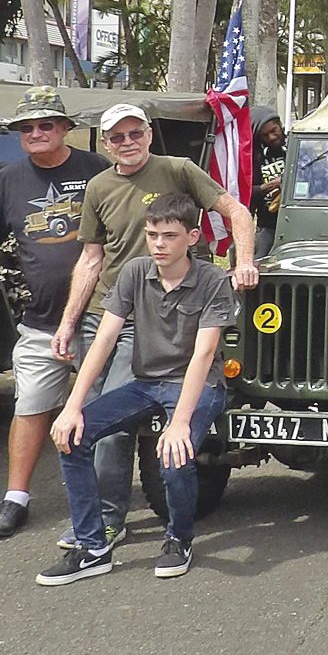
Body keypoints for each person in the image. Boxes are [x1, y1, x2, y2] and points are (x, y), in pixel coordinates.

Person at [51, 102, 255, 552]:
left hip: (170, 307)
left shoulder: (178, 169)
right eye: (117, 137)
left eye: (135, 133)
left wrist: (244, 262)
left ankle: (112, 518)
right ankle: (110, 515)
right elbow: (90, 258)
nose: (128, 143)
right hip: (112, 310)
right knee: (99, 413)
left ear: (148, 134)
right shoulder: (99, 186)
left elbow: (236, 211)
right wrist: (68, 322)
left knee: (118, 416)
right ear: (106, 143)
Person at [37, 194, 236, 584]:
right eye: (151, 235)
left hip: (196, 386)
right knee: (72, 436)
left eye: (169, 236)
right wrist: (73, 405)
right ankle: (94, 547)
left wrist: (180, 424)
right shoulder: (134, 271)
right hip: (146, 383)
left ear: (192, 237)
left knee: (175, 456)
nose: (158, 244)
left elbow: (204, 352)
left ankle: (178, 538)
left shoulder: (211, 279)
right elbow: (105, 337)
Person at [0, 88, 110, 540]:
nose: (36, 133)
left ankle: (105, 504)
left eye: (46, 125)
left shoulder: (99, 171)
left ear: (65, 128)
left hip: (102, 316)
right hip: (41, 320)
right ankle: (15, 497)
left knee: (105, 412)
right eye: (27, 128)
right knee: (30, 407)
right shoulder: (8, 181)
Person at [251, 107, 288, 257]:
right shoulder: (255, 157)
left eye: (274, 130)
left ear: (280, 124)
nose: (272, 137)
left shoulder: (297, 148)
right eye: (265, 135)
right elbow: (247, 192)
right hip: (267, 226)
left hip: (295, 223)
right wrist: (272, 184)